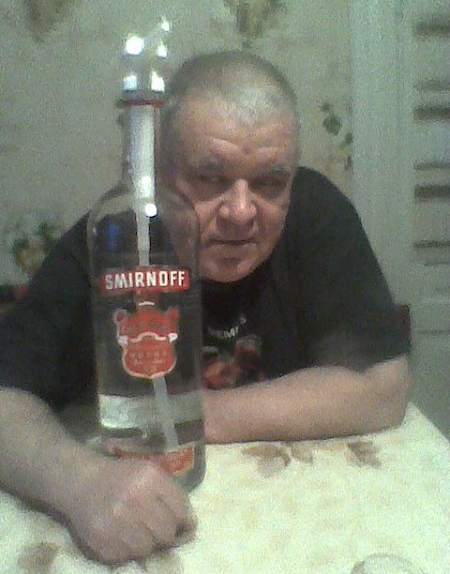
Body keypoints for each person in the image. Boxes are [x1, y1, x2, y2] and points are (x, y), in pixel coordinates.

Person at [0, 51, 411, 564]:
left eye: (270, 183)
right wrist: (79, 481)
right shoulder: (116, 236)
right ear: (160, 169)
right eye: (210, 178)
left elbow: (383, 386)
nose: (240, 212)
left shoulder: (316, 212)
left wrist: (195, 417)